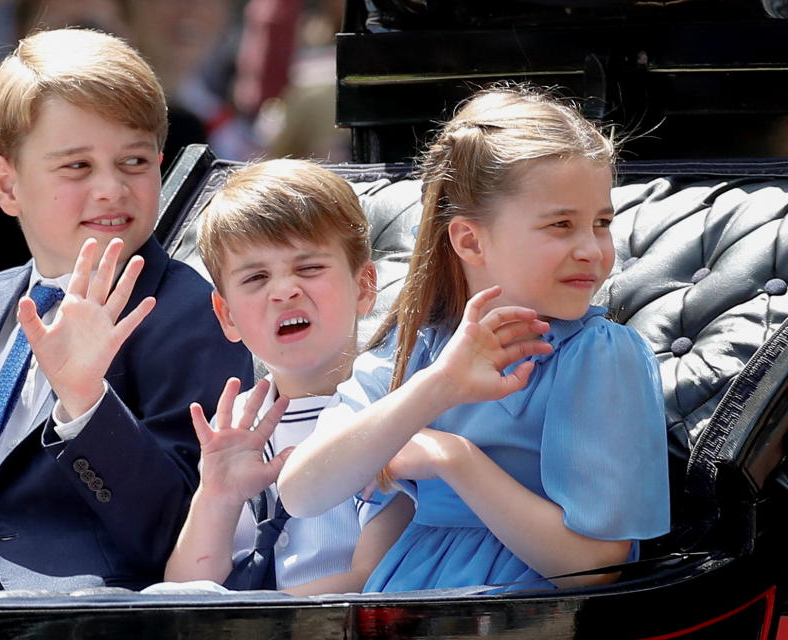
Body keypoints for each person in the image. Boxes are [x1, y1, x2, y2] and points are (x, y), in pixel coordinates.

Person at [0, 27, 252, 592]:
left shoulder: (195, 312)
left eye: (134, 161)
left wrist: (86, 400)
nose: (112, 188)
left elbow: (180, 538)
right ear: (7, 185)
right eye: (77, 167)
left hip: (68, 607)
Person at [278, 86, 671, 593]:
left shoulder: (598, 355)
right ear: (469, 240)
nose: (592, 250)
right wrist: (438, 386)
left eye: (601, 223)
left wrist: (455, 459)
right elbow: (303, 492)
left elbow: (593, 565)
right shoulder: (417, 348)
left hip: (521, 615)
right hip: (408, 598)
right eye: (561, 225)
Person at [164, 159, 413, 594]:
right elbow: (187, 589)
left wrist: (239, 621)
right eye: (257, 277)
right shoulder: (238, 425)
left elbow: (374, 579)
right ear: (227, 316)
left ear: (365, 286)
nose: (284, 290)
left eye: (309, 268)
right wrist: (218, 496)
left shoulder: (395, 408)